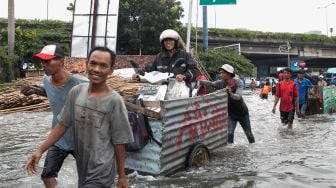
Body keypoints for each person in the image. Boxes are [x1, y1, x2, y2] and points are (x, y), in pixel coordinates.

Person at [25, 46, 134, 188]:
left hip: (101, 168)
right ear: (87, 64)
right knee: (48, 176)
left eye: (103, 65)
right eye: (93, 63)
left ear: (111, 69)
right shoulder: (76, 92)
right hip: (77, 158)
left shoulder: (114, 100)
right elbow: (62, 124)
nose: (96, 69)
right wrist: (39, 150)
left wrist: (122, 176)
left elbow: (120, 141)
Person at [21, 44, 88, 188]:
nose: (43, 65)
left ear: (62, 61)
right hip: (58, 138)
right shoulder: (46, 79)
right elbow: (49, 91)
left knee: (89, 179)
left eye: (48, 61)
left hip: (81, 139)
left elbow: (103, 95)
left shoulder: (80, 83)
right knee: (47, 176)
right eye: (42, 62)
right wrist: (33, 90)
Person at [199, 64, 255, 144]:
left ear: (229, 74)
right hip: (231, 114)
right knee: (229, 134)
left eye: (222, 73)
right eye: (220, 73)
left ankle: (253, 149)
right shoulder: (221, 83)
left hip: (242, 113)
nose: (220, 75)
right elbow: (210, 83)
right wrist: (198, 81)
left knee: (249, 135)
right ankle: (230, 153)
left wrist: (230, 93)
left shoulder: (238, 82)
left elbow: (238, 97)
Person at [132, 29, 199, 86]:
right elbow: (148, 69)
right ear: (163, 43)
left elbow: (194, 71)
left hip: (181, 89)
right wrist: (138, 74)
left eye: (171, 40)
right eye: (166, 40)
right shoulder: (159, 57)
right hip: (162, 89)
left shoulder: (185, 55)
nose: (168, 42)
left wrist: (184, 76)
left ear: (175, 42)